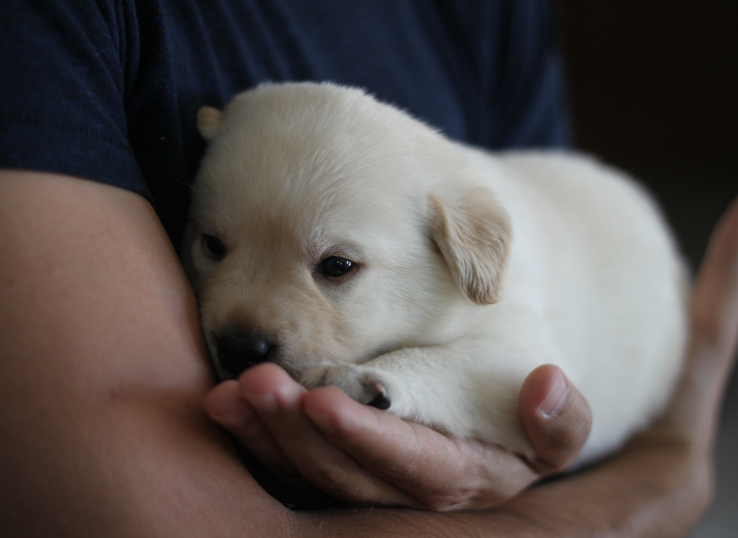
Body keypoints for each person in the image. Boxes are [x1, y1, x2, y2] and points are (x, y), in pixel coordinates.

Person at [0, 0, 735, 535]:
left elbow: (518, 377)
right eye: (215, 246)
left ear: (466, 253)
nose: (243, 320)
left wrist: (395, 388)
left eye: (336, 266)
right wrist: (648, 491)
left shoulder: (469, 210)